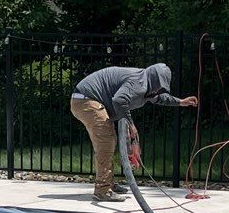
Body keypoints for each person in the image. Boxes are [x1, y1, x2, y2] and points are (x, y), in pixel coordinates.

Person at [70, 62, 199, 203]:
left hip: (86, 98)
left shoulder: (148, 86)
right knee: (106, 142)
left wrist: (180, 101)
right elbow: (119, 100)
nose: (159, 91)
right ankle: (102, 190)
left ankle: (108, 184)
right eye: (159, 86)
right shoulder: (140, 83)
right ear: (154, 80)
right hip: (85, 99)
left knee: (109, 141)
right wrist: (131, 125)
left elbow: (159, 98)